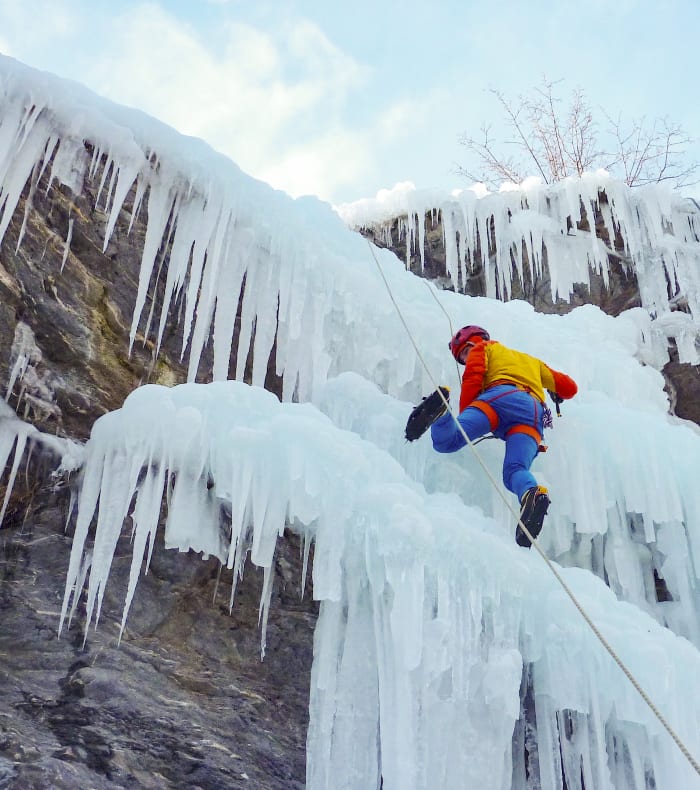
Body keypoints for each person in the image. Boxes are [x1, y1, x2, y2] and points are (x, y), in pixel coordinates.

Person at [430, 324, 578, 546]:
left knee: (447, 440)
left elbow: (473, 376)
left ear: (473, 342)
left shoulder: (483, 349)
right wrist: (553, 389)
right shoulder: (532, 361)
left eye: (465, 353)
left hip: (499, 399)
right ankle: (532, 493)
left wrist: (466, 414)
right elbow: (570, 388)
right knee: (515, 471)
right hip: (533, 414)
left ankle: (441, 413)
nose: (466, 359)